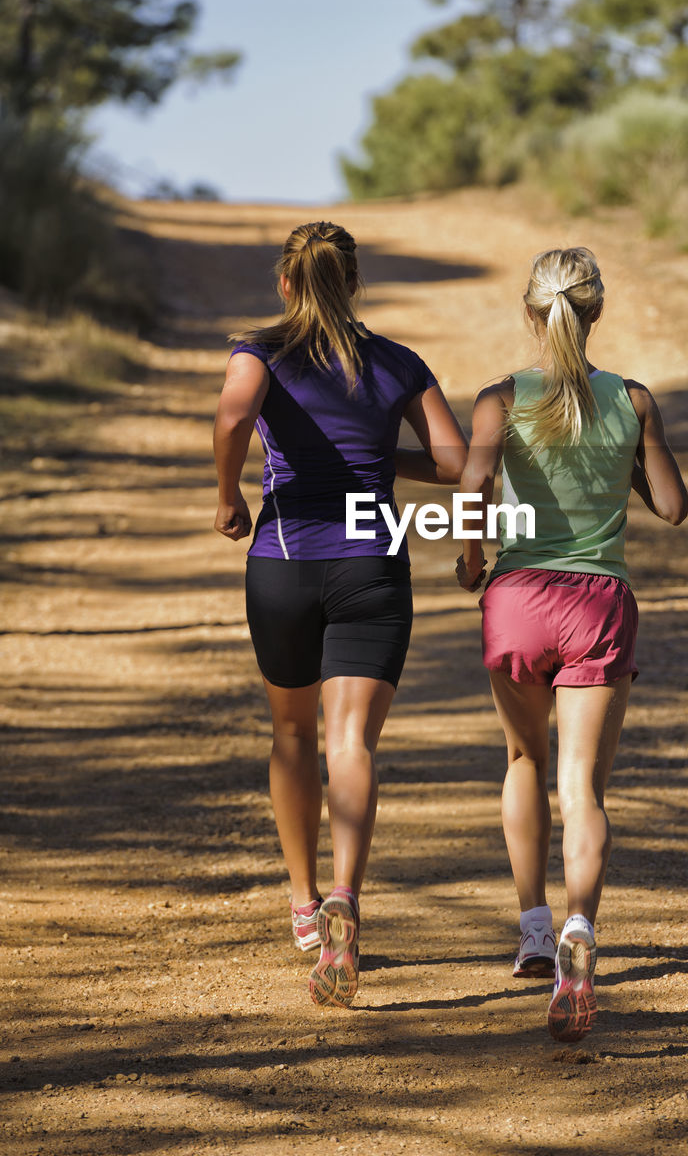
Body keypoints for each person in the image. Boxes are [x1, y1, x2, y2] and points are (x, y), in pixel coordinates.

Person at [214, 220, 467, 1009]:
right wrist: (378, 456)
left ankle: (300, 899)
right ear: (353, 282)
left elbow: (230, 419)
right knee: (349, 738)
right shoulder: (395, 362)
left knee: (291, 733)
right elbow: (458, 464)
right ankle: (345, 900)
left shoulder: (260, 352)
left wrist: (229, 496)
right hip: (371, 563)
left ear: (285, 283)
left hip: (282, 564)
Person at [456, 246, 688, 1043]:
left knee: (522, 761)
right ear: (594, 312)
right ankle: (578, 931)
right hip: (598, 603)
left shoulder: (497, 401)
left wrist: (471, 560)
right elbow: (670, 505)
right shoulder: (631, 399)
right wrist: (625, 454)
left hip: (517, 600)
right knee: (580, 784)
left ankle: (530, 927)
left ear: (530, 311)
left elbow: (471, 491)